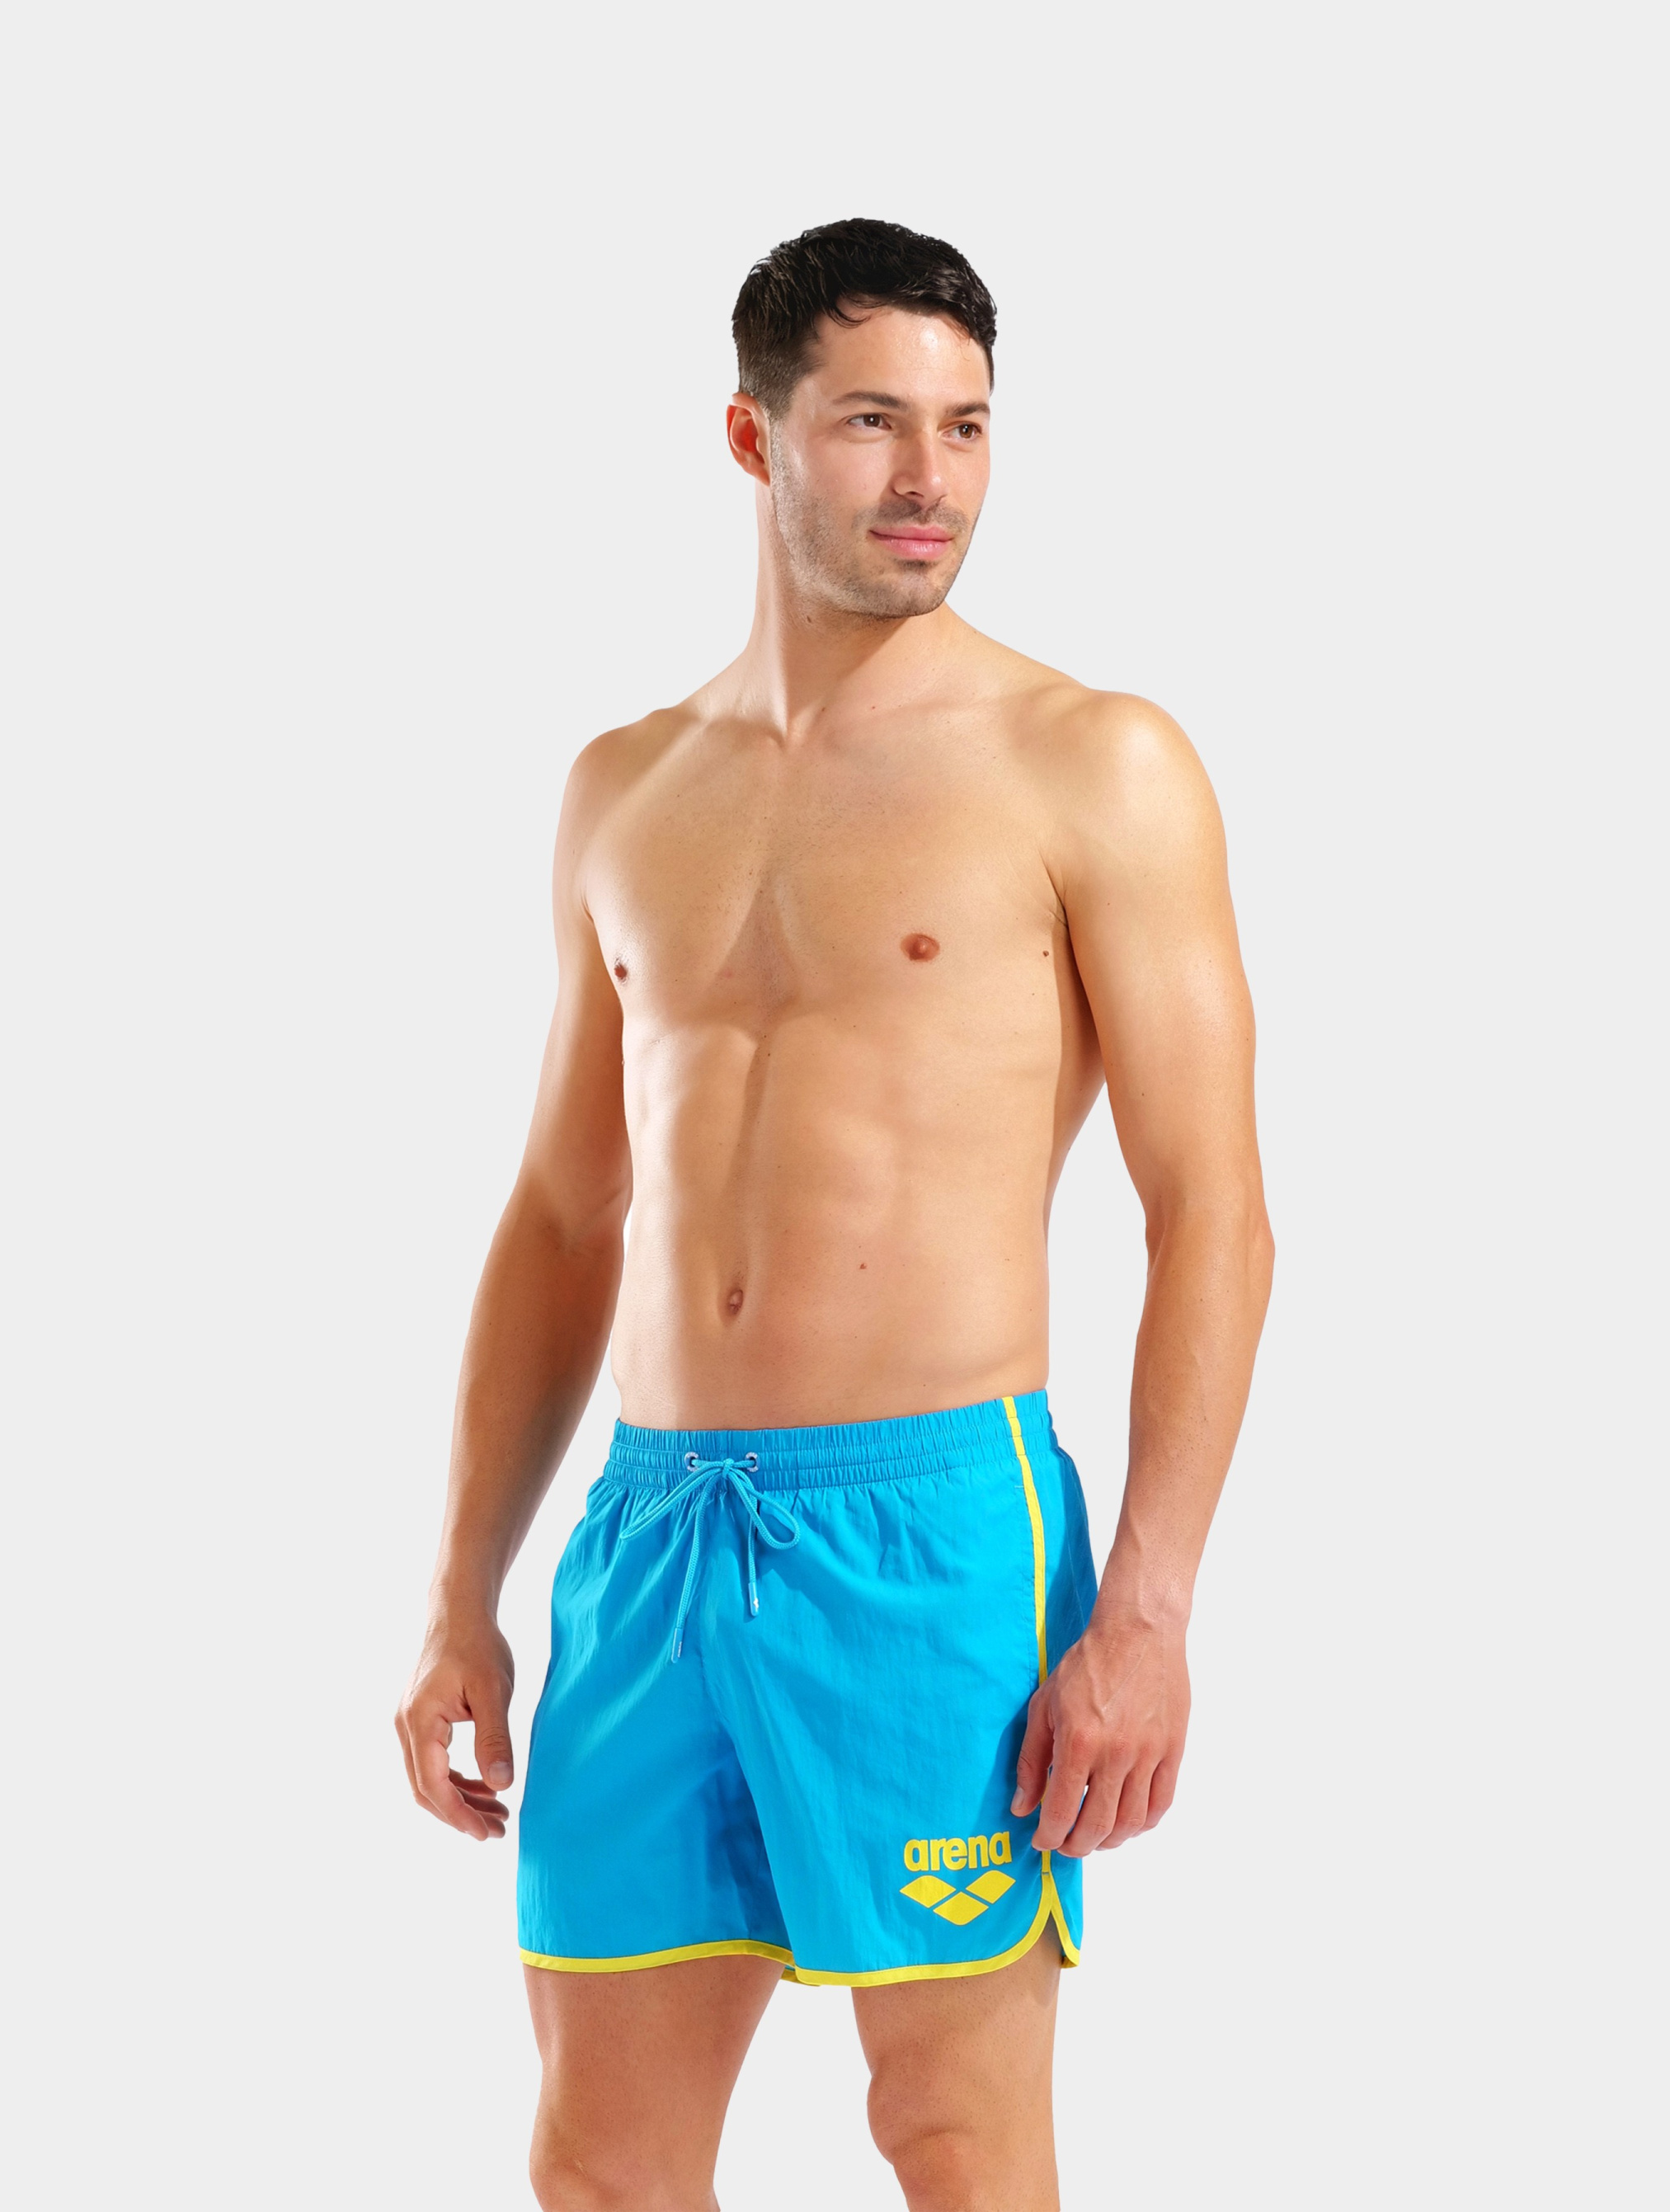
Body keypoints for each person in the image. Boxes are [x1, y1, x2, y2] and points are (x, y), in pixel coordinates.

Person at [396, 217, 1273, 2212]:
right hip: (648, 1536)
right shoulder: (625, 785)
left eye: (965, 427)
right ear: (751, 436)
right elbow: (559, 1215)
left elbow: (1212, 1210)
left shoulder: (1091, 764)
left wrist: (1145, 1612)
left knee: (949, 2138)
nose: (926, 478)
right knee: (600, 2166)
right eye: (871, 422)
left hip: (934, 1535)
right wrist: (461, 1591)